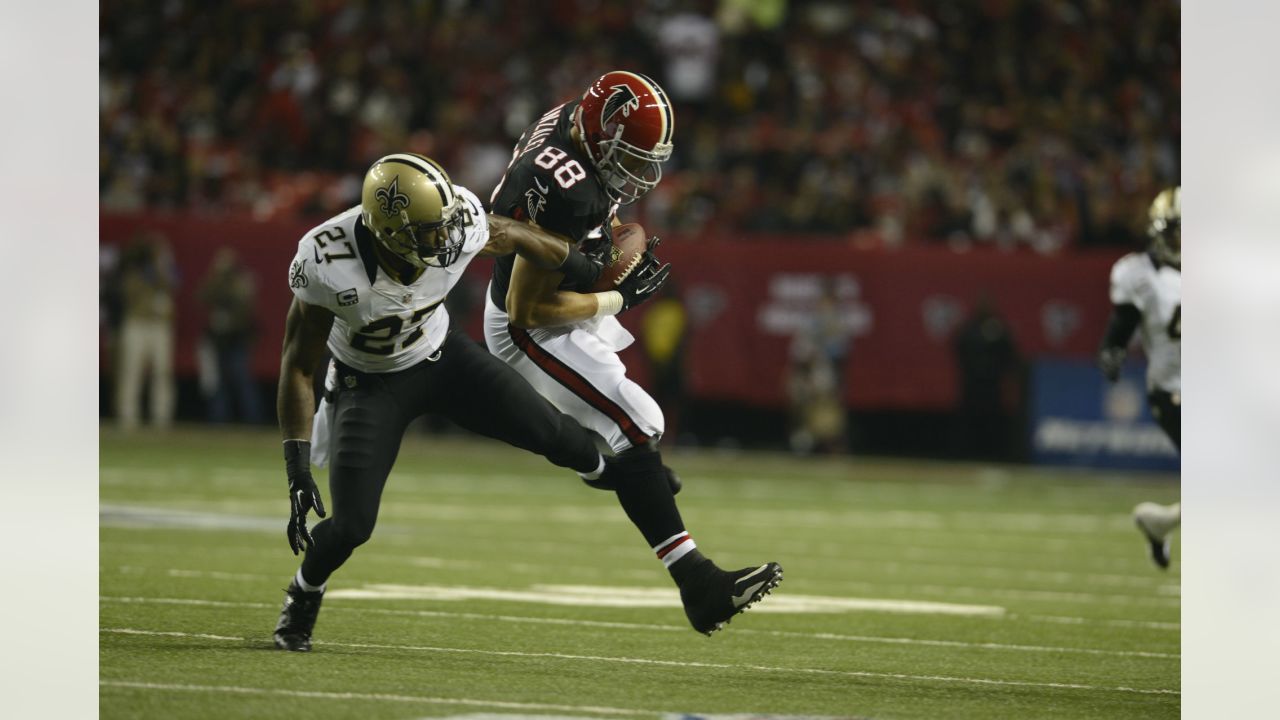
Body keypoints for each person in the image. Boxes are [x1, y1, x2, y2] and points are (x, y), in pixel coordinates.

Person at [273, 152, 629, 651]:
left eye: (444, 227)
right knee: (352, 525)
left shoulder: (455, 218)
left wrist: (585, 268)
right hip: (369, 383)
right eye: (429, 233)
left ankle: (609, 472)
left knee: (547, 427)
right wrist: (297, 467)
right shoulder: (327, 261)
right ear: (390, 233)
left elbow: (515, 234)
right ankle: (303, 593)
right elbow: (299, 364)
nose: (446, 239)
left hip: (442, 356)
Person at [483, 70, 782, 635]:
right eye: (629, 156)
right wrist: (614, 298)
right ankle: (699, 585)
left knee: (638, 432)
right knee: (638, 423)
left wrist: (609, 234)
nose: (642, 172)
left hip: (558, 293)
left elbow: (596, 212)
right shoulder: (564, 186)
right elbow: (528, 310)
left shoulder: (580, 128)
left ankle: (632, 482)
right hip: (527, 326)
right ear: (599, 136)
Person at [1098, 186, 1181, 569]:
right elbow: (1122, 325)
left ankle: (1159, 523)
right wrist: (1112, 350)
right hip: (1173, 391)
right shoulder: (1139, 274)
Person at [115, 232, 178, 430]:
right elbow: (130, 294)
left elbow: (173, 286)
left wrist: (161, 269)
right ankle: (128, 417)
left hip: (159, 326)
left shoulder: (164, 270)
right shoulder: (134, 269)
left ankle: (161, 417)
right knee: (132, 371)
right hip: (137, 323)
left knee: (163, 372)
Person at [198, 247, 264, 424]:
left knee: (242, 380)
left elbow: (242, 306)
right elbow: (204, 297)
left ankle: (253, 420)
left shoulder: (241, 281)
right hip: (218, 338)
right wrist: (217, 276)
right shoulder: (216, 281)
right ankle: (219, 420)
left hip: (236, 338)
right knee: (217, 382)